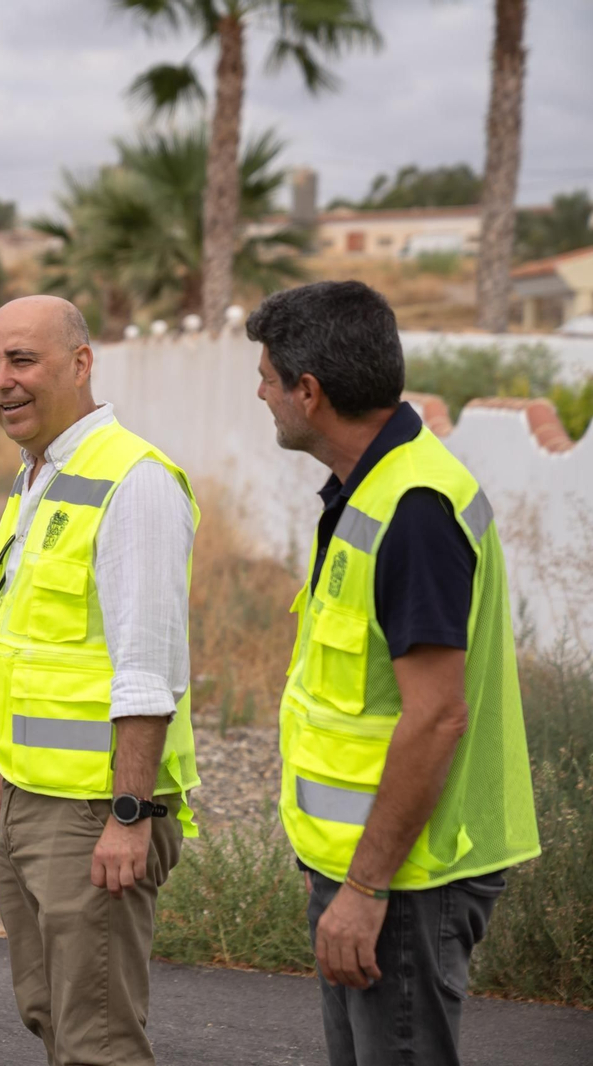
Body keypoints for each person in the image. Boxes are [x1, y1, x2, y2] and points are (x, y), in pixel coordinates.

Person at [248, 281, 539, 1066]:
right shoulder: (370, 490)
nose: (261, 392)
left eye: (269, 377)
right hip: (377, 869)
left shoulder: (413, 508)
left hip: (409, 879)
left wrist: (366, 889)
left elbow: (438, 715)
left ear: (309, 393)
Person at [0, 295, 200, 1066]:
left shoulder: (132, 482)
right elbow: (25, 646)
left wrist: (130, 814)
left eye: (22, 360)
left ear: (80, 363)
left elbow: (148, 667)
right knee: (49, 1014)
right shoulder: (35, 478)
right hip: (33, 800)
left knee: (98, 1040)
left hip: (97, 810)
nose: (2, 380)